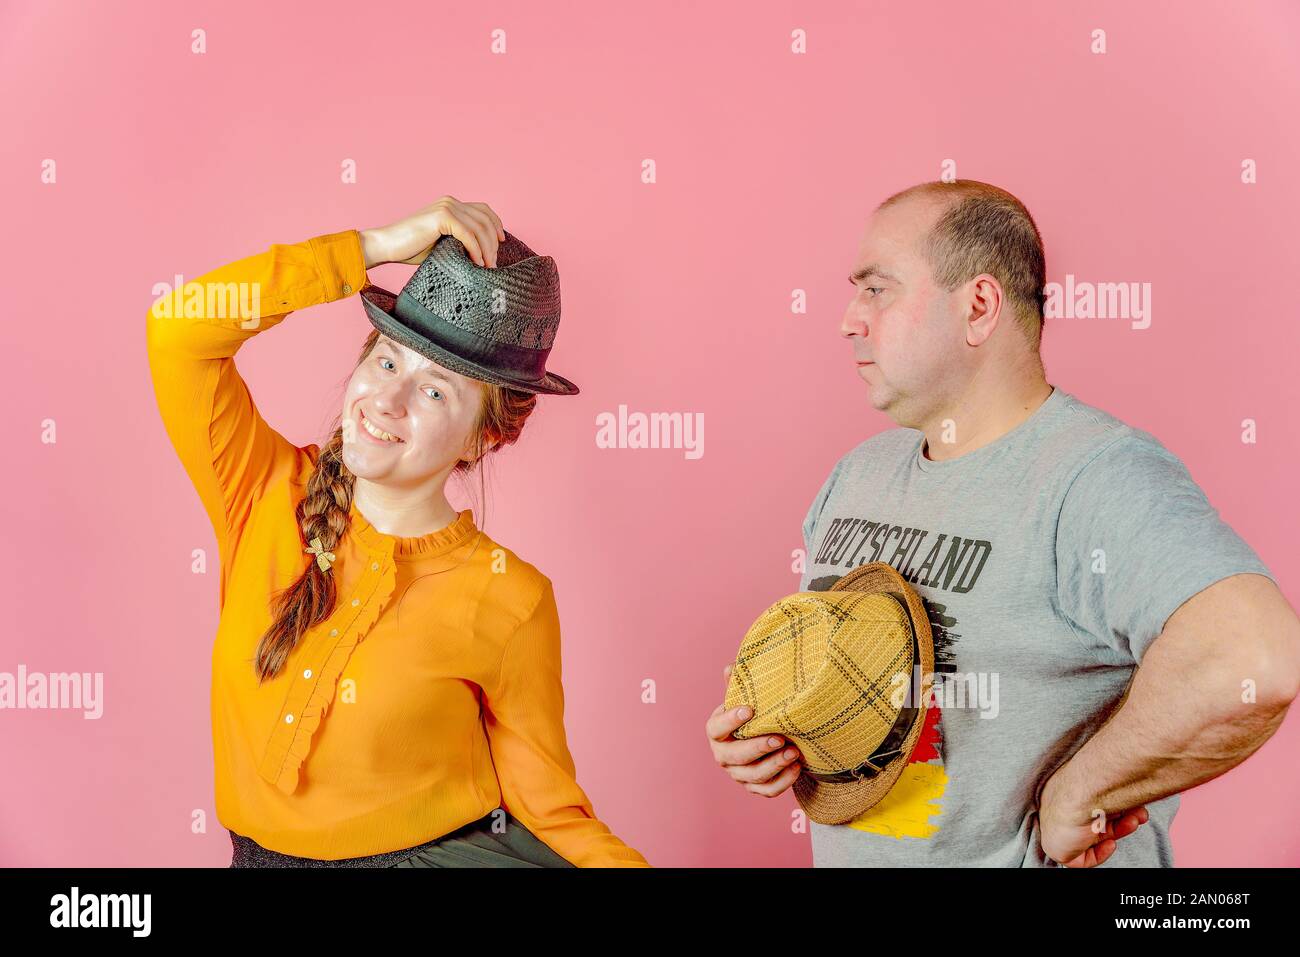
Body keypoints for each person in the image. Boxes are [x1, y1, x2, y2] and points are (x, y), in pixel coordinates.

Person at [706, 179, 1300, 867]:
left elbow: (1255, 656)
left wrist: (1080, 793)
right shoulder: (857, 475)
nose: (848, 319)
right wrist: (773, 741)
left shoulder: (1093, 476)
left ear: (979, 306)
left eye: (877, 289)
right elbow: (859, 695)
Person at [147, 196, 648, 867]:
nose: (386, 400)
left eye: (436, 391)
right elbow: (177, 329)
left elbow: (553, 812)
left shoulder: (512, 599)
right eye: (386, 361)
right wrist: (367, 248)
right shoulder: (263, 493)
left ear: (482, 438)